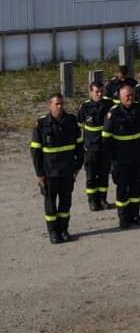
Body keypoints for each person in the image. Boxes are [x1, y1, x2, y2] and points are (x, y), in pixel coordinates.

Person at [31, 93, 84, 244]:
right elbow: (35, 151)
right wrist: (39, 174)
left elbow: (79, 145)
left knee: (65, 203)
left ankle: (63, 230)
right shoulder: (41, 124)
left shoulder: (71, 121)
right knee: (50, 204)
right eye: (57, 104)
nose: (60, 107)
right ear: (50, 105)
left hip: (67, 171)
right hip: (49, 172)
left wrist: (77, 167)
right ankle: (53, 232)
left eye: (61, 104)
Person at [104, 86, 140, 229]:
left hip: (137, 156)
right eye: (127, 96)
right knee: (123, 189)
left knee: (136, 188)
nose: (130, 98)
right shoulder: (113, 113)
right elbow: (106, 138)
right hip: (121, 159)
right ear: (120, 97)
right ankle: (124, 218)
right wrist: (112, 159)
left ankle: (135, 215)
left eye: (132, 95)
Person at [77, 82, 115, 210]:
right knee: (91, 176)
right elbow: (79, 127)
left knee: (104, 175)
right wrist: (81, 145)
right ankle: (93, 201)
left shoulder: (109, 105)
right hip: (91, 148)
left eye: (101, 91)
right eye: (96, 92)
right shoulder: (85, 107)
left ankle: (103, 199)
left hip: (105, 147)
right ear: (91, 92)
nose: (99, 94)